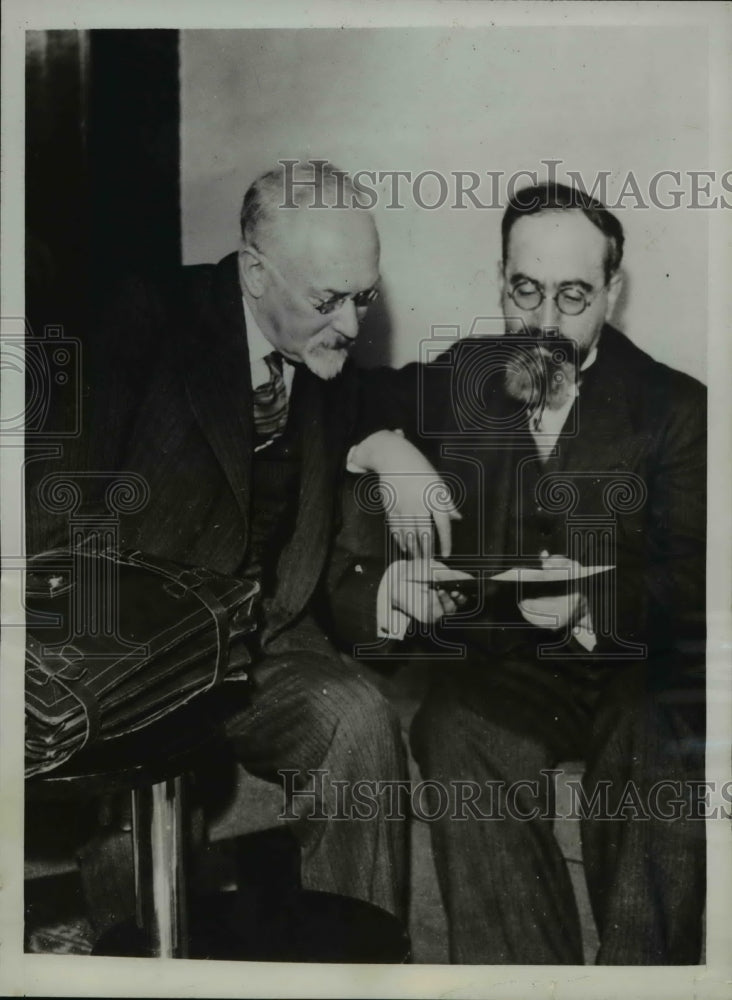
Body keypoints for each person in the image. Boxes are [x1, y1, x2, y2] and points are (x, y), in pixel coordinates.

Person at [27, 160, 452, 929]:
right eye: (327, 301)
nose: (353, 326)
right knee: (132, 803)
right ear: (255, 274)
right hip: (137, 651)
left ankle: (357, 972)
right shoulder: (145, 318)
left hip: (264, 643)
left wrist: (390, 443)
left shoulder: (320, 347)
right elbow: (55, 505)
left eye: (365, 298)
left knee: (358, 723)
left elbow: (381, 393)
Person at [330, 182, 706, 963]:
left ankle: (642, 982)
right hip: (510, 667)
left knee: (655, 734)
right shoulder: (470, 374)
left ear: (613, 292)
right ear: (502, 280)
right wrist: (387, 450)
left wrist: (590, 599)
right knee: (452, 724)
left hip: (634, 663)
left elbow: (698, 584)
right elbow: (335, 395)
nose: (542, 323)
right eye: (524, 290)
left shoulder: (677, 408)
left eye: (572, 296)